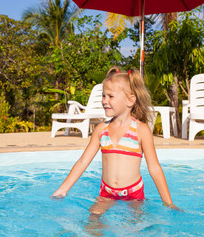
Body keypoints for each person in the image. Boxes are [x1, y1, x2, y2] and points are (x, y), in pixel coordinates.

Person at [52, 67, 176, 214]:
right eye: (103, 96)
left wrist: (169, 204)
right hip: (107, 193)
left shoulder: (141, 130)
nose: (104, 101)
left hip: (134, 195)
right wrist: (62, 190)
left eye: (110, 96)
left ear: (130, 100)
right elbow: (82, 162)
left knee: (136, 226)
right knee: (93, 221)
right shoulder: (101, 129)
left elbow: (154, 168)